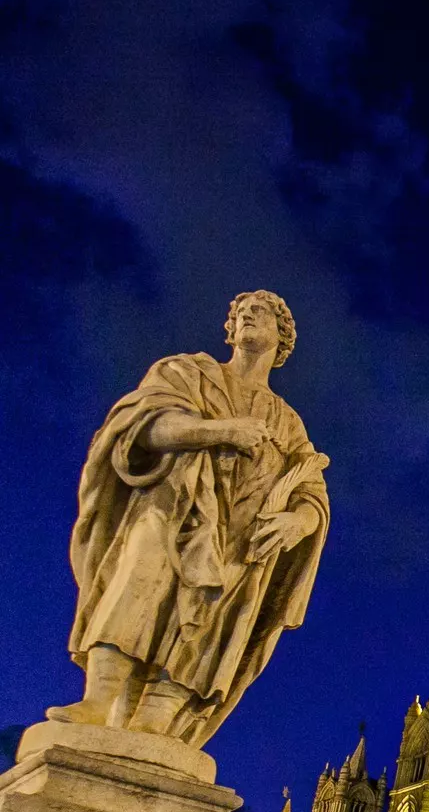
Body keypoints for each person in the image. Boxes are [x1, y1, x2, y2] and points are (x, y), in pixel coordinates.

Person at [49, 291, 328, 748]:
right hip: (173, 507)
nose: (245, 316)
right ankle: (97, 702)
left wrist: (297, 522)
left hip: (244, 539)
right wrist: (220, 431)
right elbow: (143, 430)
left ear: (282, 338)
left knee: (210, 626)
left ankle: (156, 727)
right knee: (137, 582)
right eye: (240, 313)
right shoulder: (187, 373)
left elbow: (312, 492)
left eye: (260, 312)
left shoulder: (288, 421)